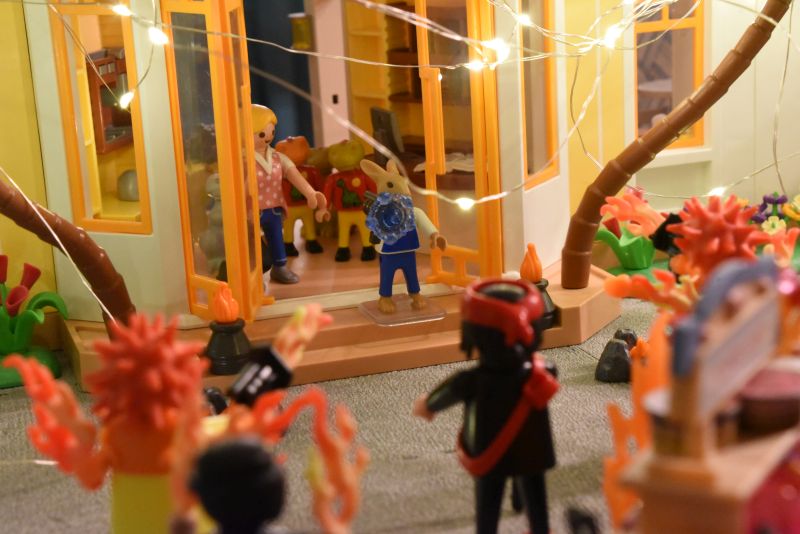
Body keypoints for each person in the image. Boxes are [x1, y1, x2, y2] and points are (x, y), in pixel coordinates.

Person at [413, 279, 559, 534]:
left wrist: (428, 405)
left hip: (489, 448)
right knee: (535, 491)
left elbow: (446, 393)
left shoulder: (471, 381)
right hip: (533, 449)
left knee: (489, 498)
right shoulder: (542, 373)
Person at [252, 105, 328, 284]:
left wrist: (310, 193)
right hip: (251, 211)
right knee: (252, 244)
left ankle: (280, 268)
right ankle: (254, 276)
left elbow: (294, 175)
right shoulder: (242, 159)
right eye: (262, 134)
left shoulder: (277, 157)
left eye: (272, 132)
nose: (268, 137)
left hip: (274, 208)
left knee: (277, 238)